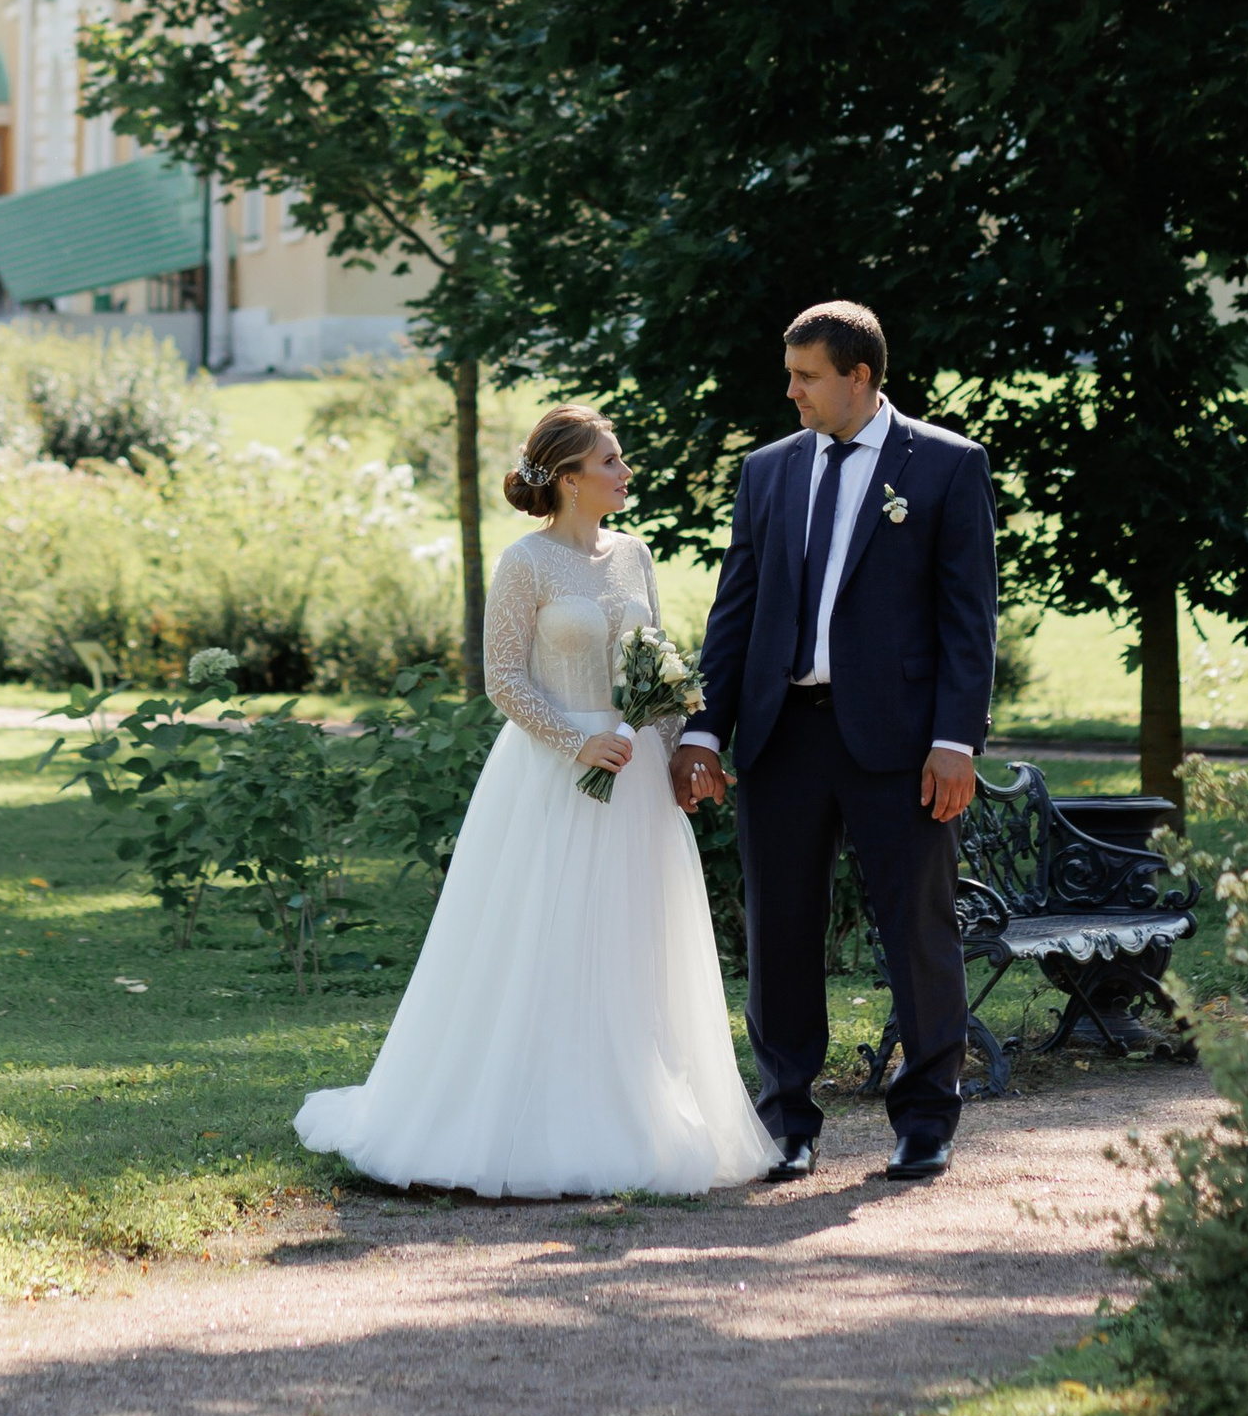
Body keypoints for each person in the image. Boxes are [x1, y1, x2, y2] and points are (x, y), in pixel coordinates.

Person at [296, 402, 777, 1198]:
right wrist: (575, 740)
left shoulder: (635, 555)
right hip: (550, 777)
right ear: (568, 478)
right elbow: (504, 679)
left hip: (633, 785)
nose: (625, 473)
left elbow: (654, 673)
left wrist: (677, 757)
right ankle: (521, 1118)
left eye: (621, 460)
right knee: (542, 937)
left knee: (630, 943)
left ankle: (634, 1114)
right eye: (611, 462)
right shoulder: (526, 563)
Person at [670, 301, 998, 1186]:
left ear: (860, 376)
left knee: (917, 932)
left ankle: (927, 1117)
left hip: (902, 745)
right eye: (791, 375)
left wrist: (954, 740)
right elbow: (735, 610)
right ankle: (786, 1120)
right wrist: (703, 727)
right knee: (778, 935)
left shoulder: (947, 467)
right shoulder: (768, 472)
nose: (792, 392)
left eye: (806, 376)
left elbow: (970, 621)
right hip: (782, 740)